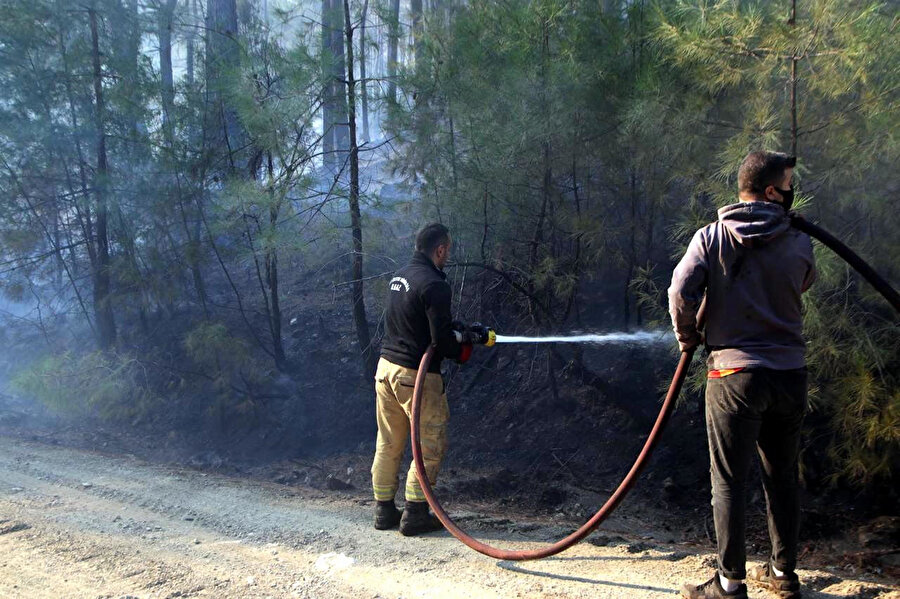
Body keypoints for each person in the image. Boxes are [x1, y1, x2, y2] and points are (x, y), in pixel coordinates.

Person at [668, 151, 816, 599]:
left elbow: (680, 290)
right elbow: (803, 281)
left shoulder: (710, 238)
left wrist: (688, 334)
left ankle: (730, 584)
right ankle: (784, 576)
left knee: (730, 481)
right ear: (771, 192)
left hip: (733, 374)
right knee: (782, 475)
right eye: (788, 183)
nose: (793, 193)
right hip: (789, 373)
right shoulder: (799, 239)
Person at [371, 223, 489, 536]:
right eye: (447, 250)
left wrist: (459, 330)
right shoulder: (435, 284)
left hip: (385, 370)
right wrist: (468, 340)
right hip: (415, 377)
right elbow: (443, 343)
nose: (447, 256)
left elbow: (416, 324)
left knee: (389, 441)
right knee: (430, 444)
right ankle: (415, 513)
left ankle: (384, 510)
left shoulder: (399, 277)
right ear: (439, 249)